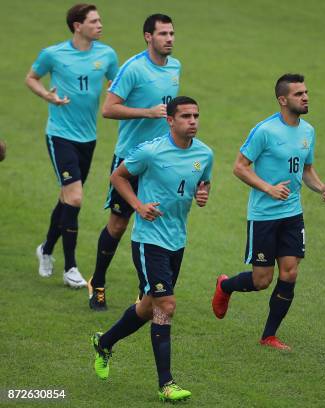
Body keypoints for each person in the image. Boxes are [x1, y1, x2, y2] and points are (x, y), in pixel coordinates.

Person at [91, 96, 212, 402]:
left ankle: (104, 343)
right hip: (149, 241)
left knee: (147, 307)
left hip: (177, 241)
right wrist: (138, 205)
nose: (193, 121)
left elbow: (203, 182)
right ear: (170, 120)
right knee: (166, 306)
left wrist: (202, 194)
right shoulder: (151, 151)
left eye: (196, 115)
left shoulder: (204, 153)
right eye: (185, 116)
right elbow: (117, 176)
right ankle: (166, 384)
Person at [211, 73, 325, 351]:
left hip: (292, 213)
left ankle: (269, 335)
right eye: (298, 94)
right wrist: (268, 188)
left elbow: (306, 170)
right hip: (264, 216)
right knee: (261, 280)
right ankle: (225, 286)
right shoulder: (264, 131)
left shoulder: (308, 131)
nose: (305, 97)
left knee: (290, 273)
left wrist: (320, 188)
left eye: (306, 92)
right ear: (282, 99)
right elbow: (239, 167)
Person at [87, 13, 181, 310]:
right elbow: (108, 109)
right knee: (118, 224)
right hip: (130, 159)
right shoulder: (133, 68)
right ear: (148, 37)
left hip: (161, 161)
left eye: (172, 33)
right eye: (163, 34)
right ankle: (97, 281)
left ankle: (146, 291)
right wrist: (147, 112)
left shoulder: (175, 67)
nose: (169, 39)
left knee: (153, 222)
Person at [26, 3, 118, 288]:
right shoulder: (53, 54)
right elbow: (31, 78)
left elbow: (117, 85)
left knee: (67, 197)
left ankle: (46, 249)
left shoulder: (107, 54)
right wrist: (47, 96)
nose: (100, 25)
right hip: (60, 135)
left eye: (100, 20)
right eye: (94, 21)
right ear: (78, 26)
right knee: (75, 197)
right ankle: (71, 267)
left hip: (88, 138)